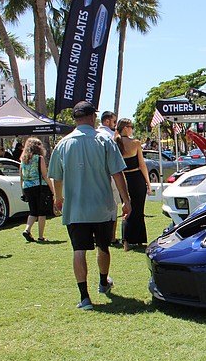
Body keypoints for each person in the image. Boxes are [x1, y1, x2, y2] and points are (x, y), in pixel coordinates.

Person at [49, 101, 131, 311]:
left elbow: (56, 178)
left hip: (75, 208)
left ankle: (84, 297)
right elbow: (117, 173)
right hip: (102, 207)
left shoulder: (63, 144)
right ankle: (103, 283)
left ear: (75, 118)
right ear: (93, 116)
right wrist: (126, 200)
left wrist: (58, 198)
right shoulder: (104, 140)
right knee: (103, 247)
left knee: (79, 250)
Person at [114, 118, 151, 251]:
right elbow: (142, 165)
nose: (132, 129)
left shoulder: (115, 143)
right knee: (139, 209)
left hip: (123, 179)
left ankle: (127, 241)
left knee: (126, 209)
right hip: (136, 177)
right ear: (125, 128)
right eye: (131, 127)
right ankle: (139, 239)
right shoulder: (135, 143)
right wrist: (148, 182)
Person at [19, 137, 55, 242]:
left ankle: (27, 229)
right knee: (41, 212)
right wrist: (52, 189)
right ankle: (41, 236)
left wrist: (23, 190)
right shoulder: (39, 158)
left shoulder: (23, 160)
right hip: (40, 187)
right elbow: (44, 174)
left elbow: (21, 176)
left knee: (33, 211)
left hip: (27, 187)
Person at [97, 110, 121, 245]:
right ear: (107, 121)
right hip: (110, 176)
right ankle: (111, 236)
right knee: (113, 207)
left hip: (94, 177)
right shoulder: (112, 136)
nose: (115, 124)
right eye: (114, 121)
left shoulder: (93, 134)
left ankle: (98, 235)